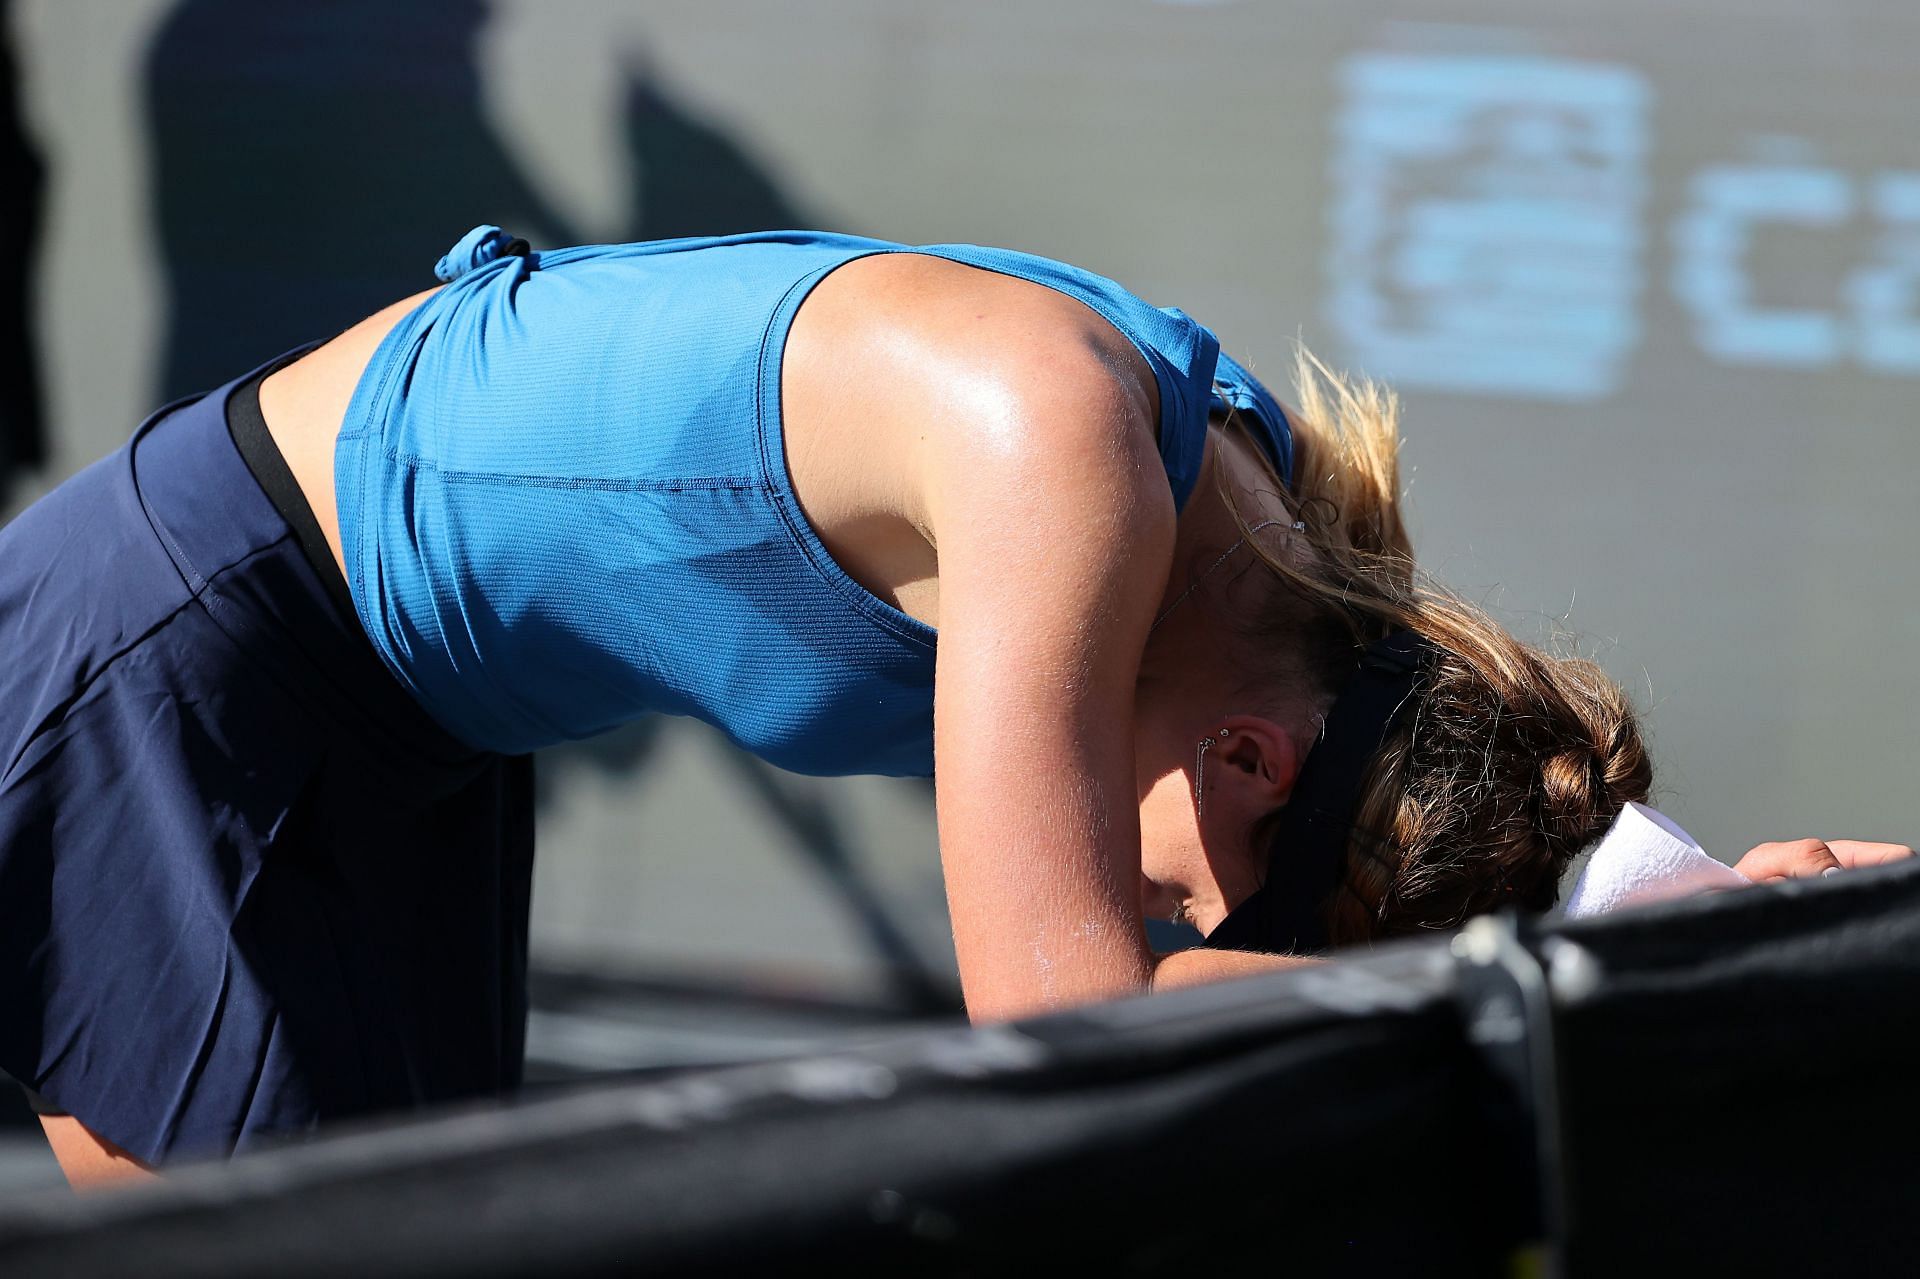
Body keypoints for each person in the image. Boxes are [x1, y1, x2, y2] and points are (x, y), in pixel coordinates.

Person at [0, 226, 1890, 1190]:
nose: (1161, 920)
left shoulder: (1242, 555)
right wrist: (1630, 1005)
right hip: (177, 662)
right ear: (1250, 761)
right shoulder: (1071, 456)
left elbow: (1468, 856)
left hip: (399, 737)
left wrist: (1701, 909)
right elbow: (1064, 1012)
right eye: (1204, 915)